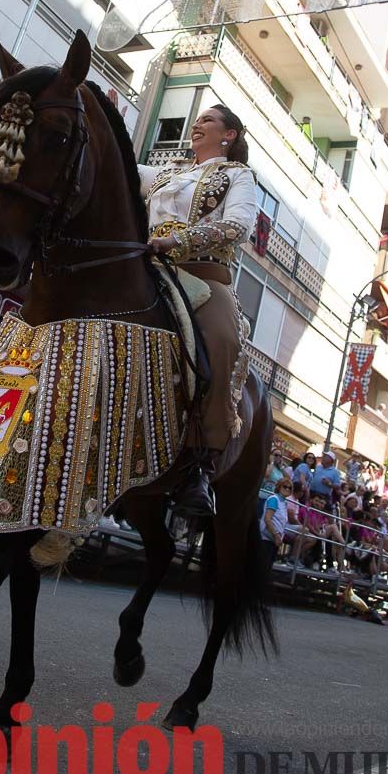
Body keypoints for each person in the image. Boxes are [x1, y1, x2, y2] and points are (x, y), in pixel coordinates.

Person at [138, 102, 257, 516]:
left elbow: (239, 225)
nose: (197, 124)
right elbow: (119, 169)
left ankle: (200, 460)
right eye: (198, 119)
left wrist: (179, 241)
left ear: (229, 135)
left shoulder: (237, 175)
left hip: (203, 274)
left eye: (207, 120)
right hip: (146, 267)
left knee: (222, 338)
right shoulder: (166, 173)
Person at [259, 476, 293, 566]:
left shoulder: (284, 503)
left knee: (268, 566)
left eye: (290, 488)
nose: (287, 489)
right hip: (267, 539)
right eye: (285, 486)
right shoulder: (274, 499)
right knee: (263, 566)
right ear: (279, 487)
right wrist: (276, 535)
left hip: (274, 540)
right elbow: (268, 519)